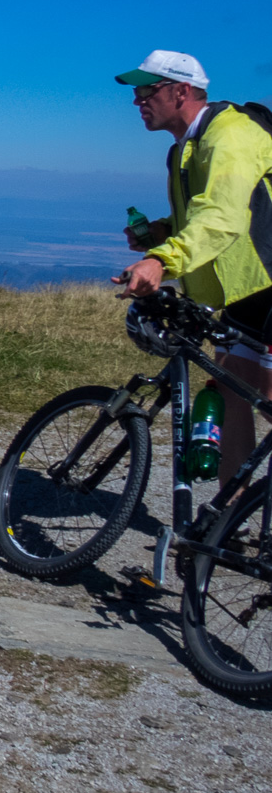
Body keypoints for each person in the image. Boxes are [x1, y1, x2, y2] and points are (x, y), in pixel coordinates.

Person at [115, 50, 272, 481]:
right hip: (243, 294)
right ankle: (228, 523)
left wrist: (161, 261)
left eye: (147, 89)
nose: (137, 100)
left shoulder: (231, 137)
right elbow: (203, 214)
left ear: (181, 91)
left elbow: (224, 218)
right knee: (231, 400)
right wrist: (162, 233)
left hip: (270, 285)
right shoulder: (184, 148)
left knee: (267, 401)